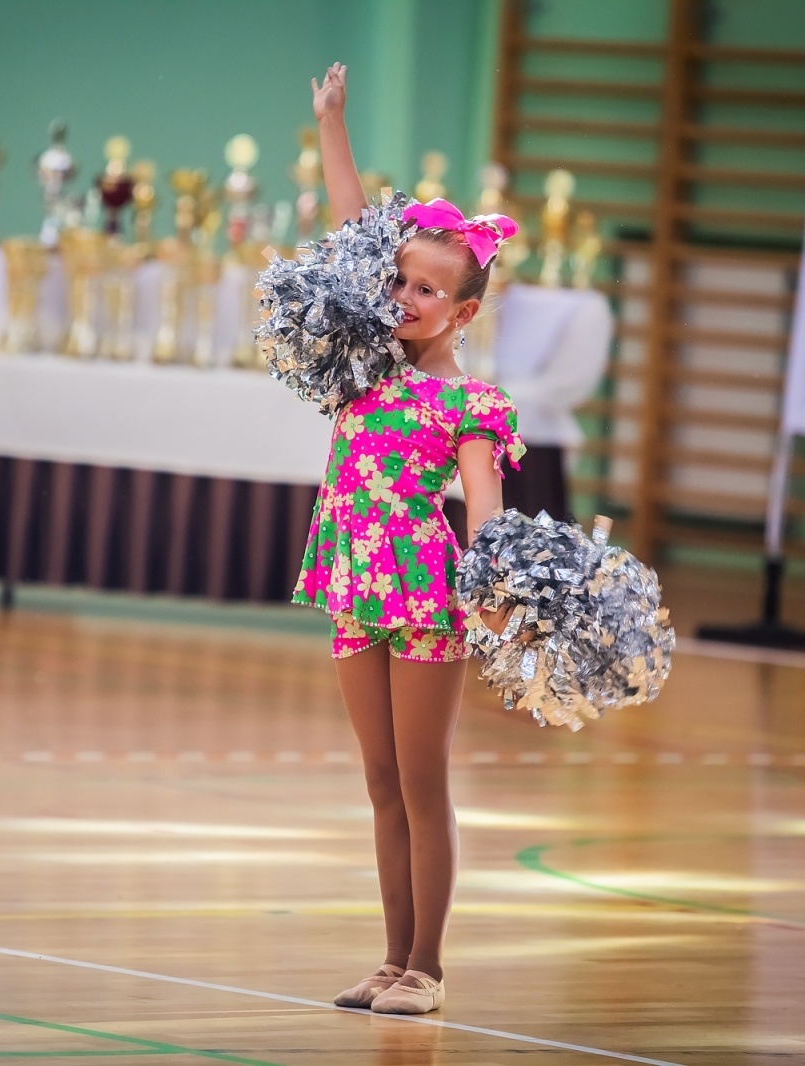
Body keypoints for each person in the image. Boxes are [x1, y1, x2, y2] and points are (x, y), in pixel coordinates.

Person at [292, 63, 525, 1016]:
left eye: (430, 290)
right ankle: (390, 960)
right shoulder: (361, 364)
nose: (405, 298)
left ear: (464, 311)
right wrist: (333, 126)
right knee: (381, 779)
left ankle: (428, 967)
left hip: (428, 598)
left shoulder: (469, 400)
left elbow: (483, 502)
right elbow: (353, 232)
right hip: (355, 585)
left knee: (423, 781)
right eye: (400, 281)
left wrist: (495, 580)